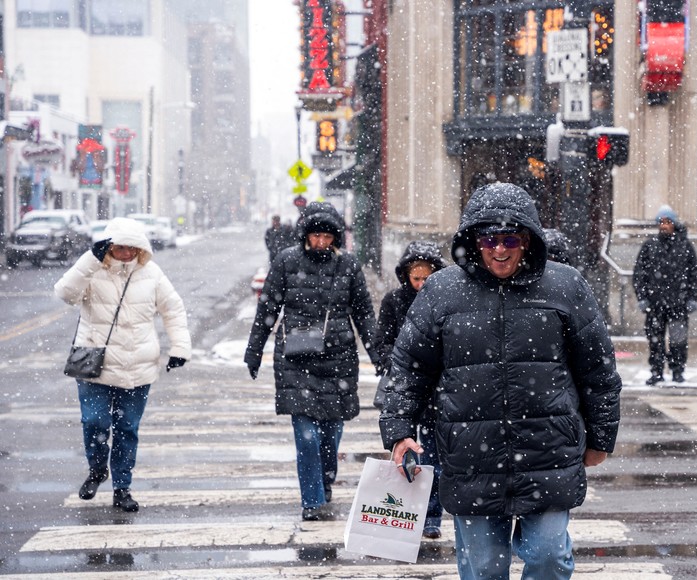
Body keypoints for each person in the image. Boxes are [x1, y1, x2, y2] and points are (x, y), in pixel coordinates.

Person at [379, 183, 622, 580]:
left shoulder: (566, 286)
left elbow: (598, 372)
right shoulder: (442, 291)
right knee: (484, 568)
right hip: (471, 454)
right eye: (489, 238)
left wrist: (600, 438)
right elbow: (409, 367)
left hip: (548, 451)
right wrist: (398, 430)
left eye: (510, 238)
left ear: (527, 239)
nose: (500, 249)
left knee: (547, 557)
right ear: (474, 240)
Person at [244, 201, 381, 522]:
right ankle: (312, 500)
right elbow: (267, 309)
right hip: (296, 357)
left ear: (336, 237)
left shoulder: (348, 265)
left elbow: (363, 313)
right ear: (305, 234)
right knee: (307, 436)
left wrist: (378, 354)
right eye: (315, 235)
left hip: (338, 359)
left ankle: (325, 478)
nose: (321, 242)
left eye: (327, 236)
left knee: (331, 435)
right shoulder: (287, 261)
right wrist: (254, 350)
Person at [54, 217, 191, 513]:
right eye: (120, 247)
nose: (127, 253)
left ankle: (122, 488)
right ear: (108, 246)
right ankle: (96, 469)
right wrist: (90, 260)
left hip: (137, 365)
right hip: (95, 365)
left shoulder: (151, 273)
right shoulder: (93, 270)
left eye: (133, 247)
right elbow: (65, 293)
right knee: (95, 423)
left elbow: (173, 309)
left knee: (127, 429)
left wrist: (179, 347)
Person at [373, 240, 447, 539]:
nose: (420, 284)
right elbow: (382, 343)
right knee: (402, 451)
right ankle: (403, 511)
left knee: (431, 457)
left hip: (434, 391)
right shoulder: (394, 301)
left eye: (426, 278)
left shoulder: (444, 300)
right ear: (406, 276)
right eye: (415, 278)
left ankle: (431, 516)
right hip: (404, 387)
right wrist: (403, 362)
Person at [632, 204, 697, 385]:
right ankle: (657, 371)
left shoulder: (685, 246)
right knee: (655, 340)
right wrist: (642, 298)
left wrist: (693, 297)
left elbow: (694, 274)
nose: (664, 225)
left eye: (668, 222)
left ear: (674, 224)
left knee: (678, 340)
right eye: (661, 222)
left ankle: (677, 370)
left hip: (679, 302)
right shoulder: (649, 246)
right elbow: (640, 274)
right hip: (655, 304)